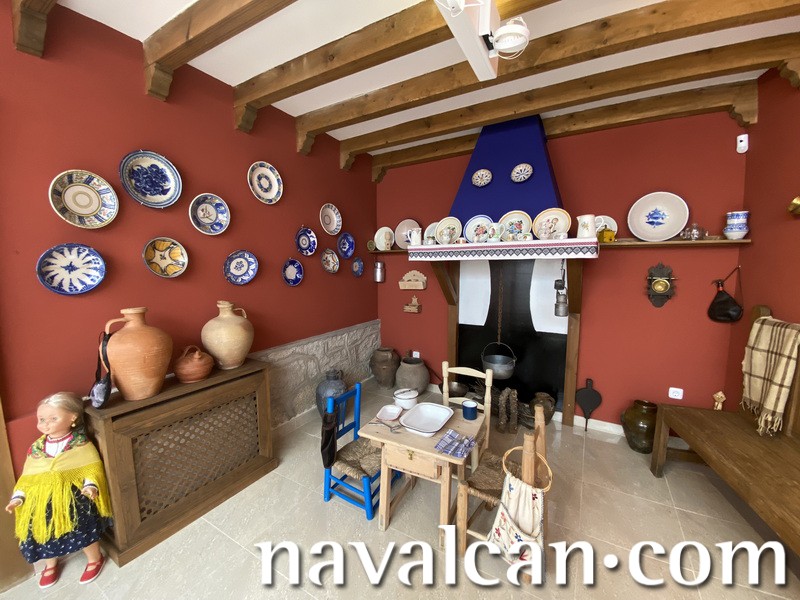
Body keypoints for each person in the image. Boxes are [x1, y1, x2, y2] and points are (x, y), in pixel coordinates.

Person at [5, 392, 113, 588]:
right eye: (41, 419)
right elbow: (27, 478)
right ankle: (50, 564)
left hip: (74, 498)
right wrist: (18, 497)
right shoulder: (37, 449)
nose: (45, 424)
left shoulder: (80, 444)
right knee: (43, 532)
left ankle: (94, 558)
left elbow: (91, 468)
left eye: (53, 419)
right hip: (43, 501)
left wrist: (90, 485)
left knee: (83, 528)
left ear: (72, 417)